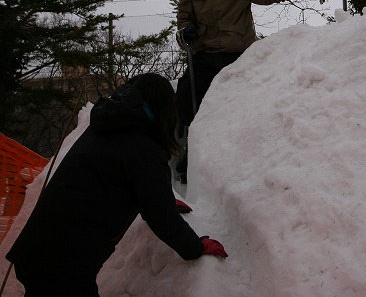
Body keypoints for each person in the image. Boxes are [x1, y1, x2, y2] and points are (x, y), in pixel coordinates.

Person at [6, 73, 227, 297]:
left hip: (40, 250)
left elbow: (121, 184)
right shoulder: (143, 148)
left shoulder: (108, 126)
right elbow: (162, 218)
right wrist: (196, 248)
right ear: (164, 108)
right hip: (62, 266)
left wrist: (160, 199)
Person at [174, 0, 325, 178]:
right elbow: (184, 15)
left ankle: (237, 152)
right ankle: (192, 147)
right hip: (203, 54)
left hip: (235, 56)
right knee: (186, 97)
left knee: (232, 105)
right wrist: (185, 29)